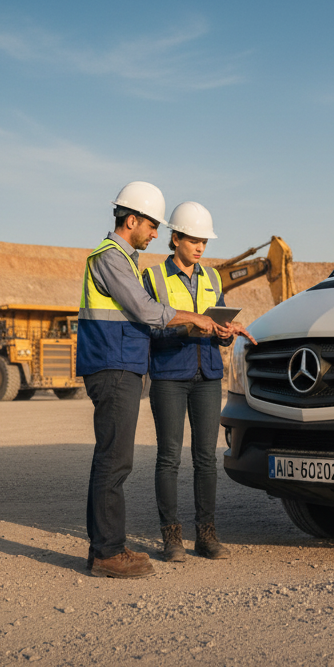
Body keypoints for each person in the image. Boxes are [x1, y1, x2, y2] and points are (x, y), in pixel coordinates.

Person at [77, 182, 225, 579]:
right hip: (113, 365)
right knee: (115, 462)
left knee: (111, 460)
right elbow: (144, 310)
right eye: (153, 226)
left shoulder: (124, 259)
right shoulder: (111, 258)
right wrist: (193, 318)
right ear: (131, 220)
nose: (156, 234)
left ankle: (104, 548)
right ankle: (108, 554)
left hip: (122, 364)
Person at [142, 201, 256, 563]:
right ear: (174, 238)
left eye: (204, 241)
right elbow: (149, 329)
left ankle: (206, 536)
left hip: (207, 377)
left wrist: (226, 334)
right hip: (169, 377)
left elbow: (217, 328)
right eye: (193, 239)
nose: (200, 247)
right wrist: (190, 325)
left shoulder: (212, 278)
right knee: (170, 457)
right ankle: (171, 538)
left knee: (206, 458)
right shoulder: (154, 278)